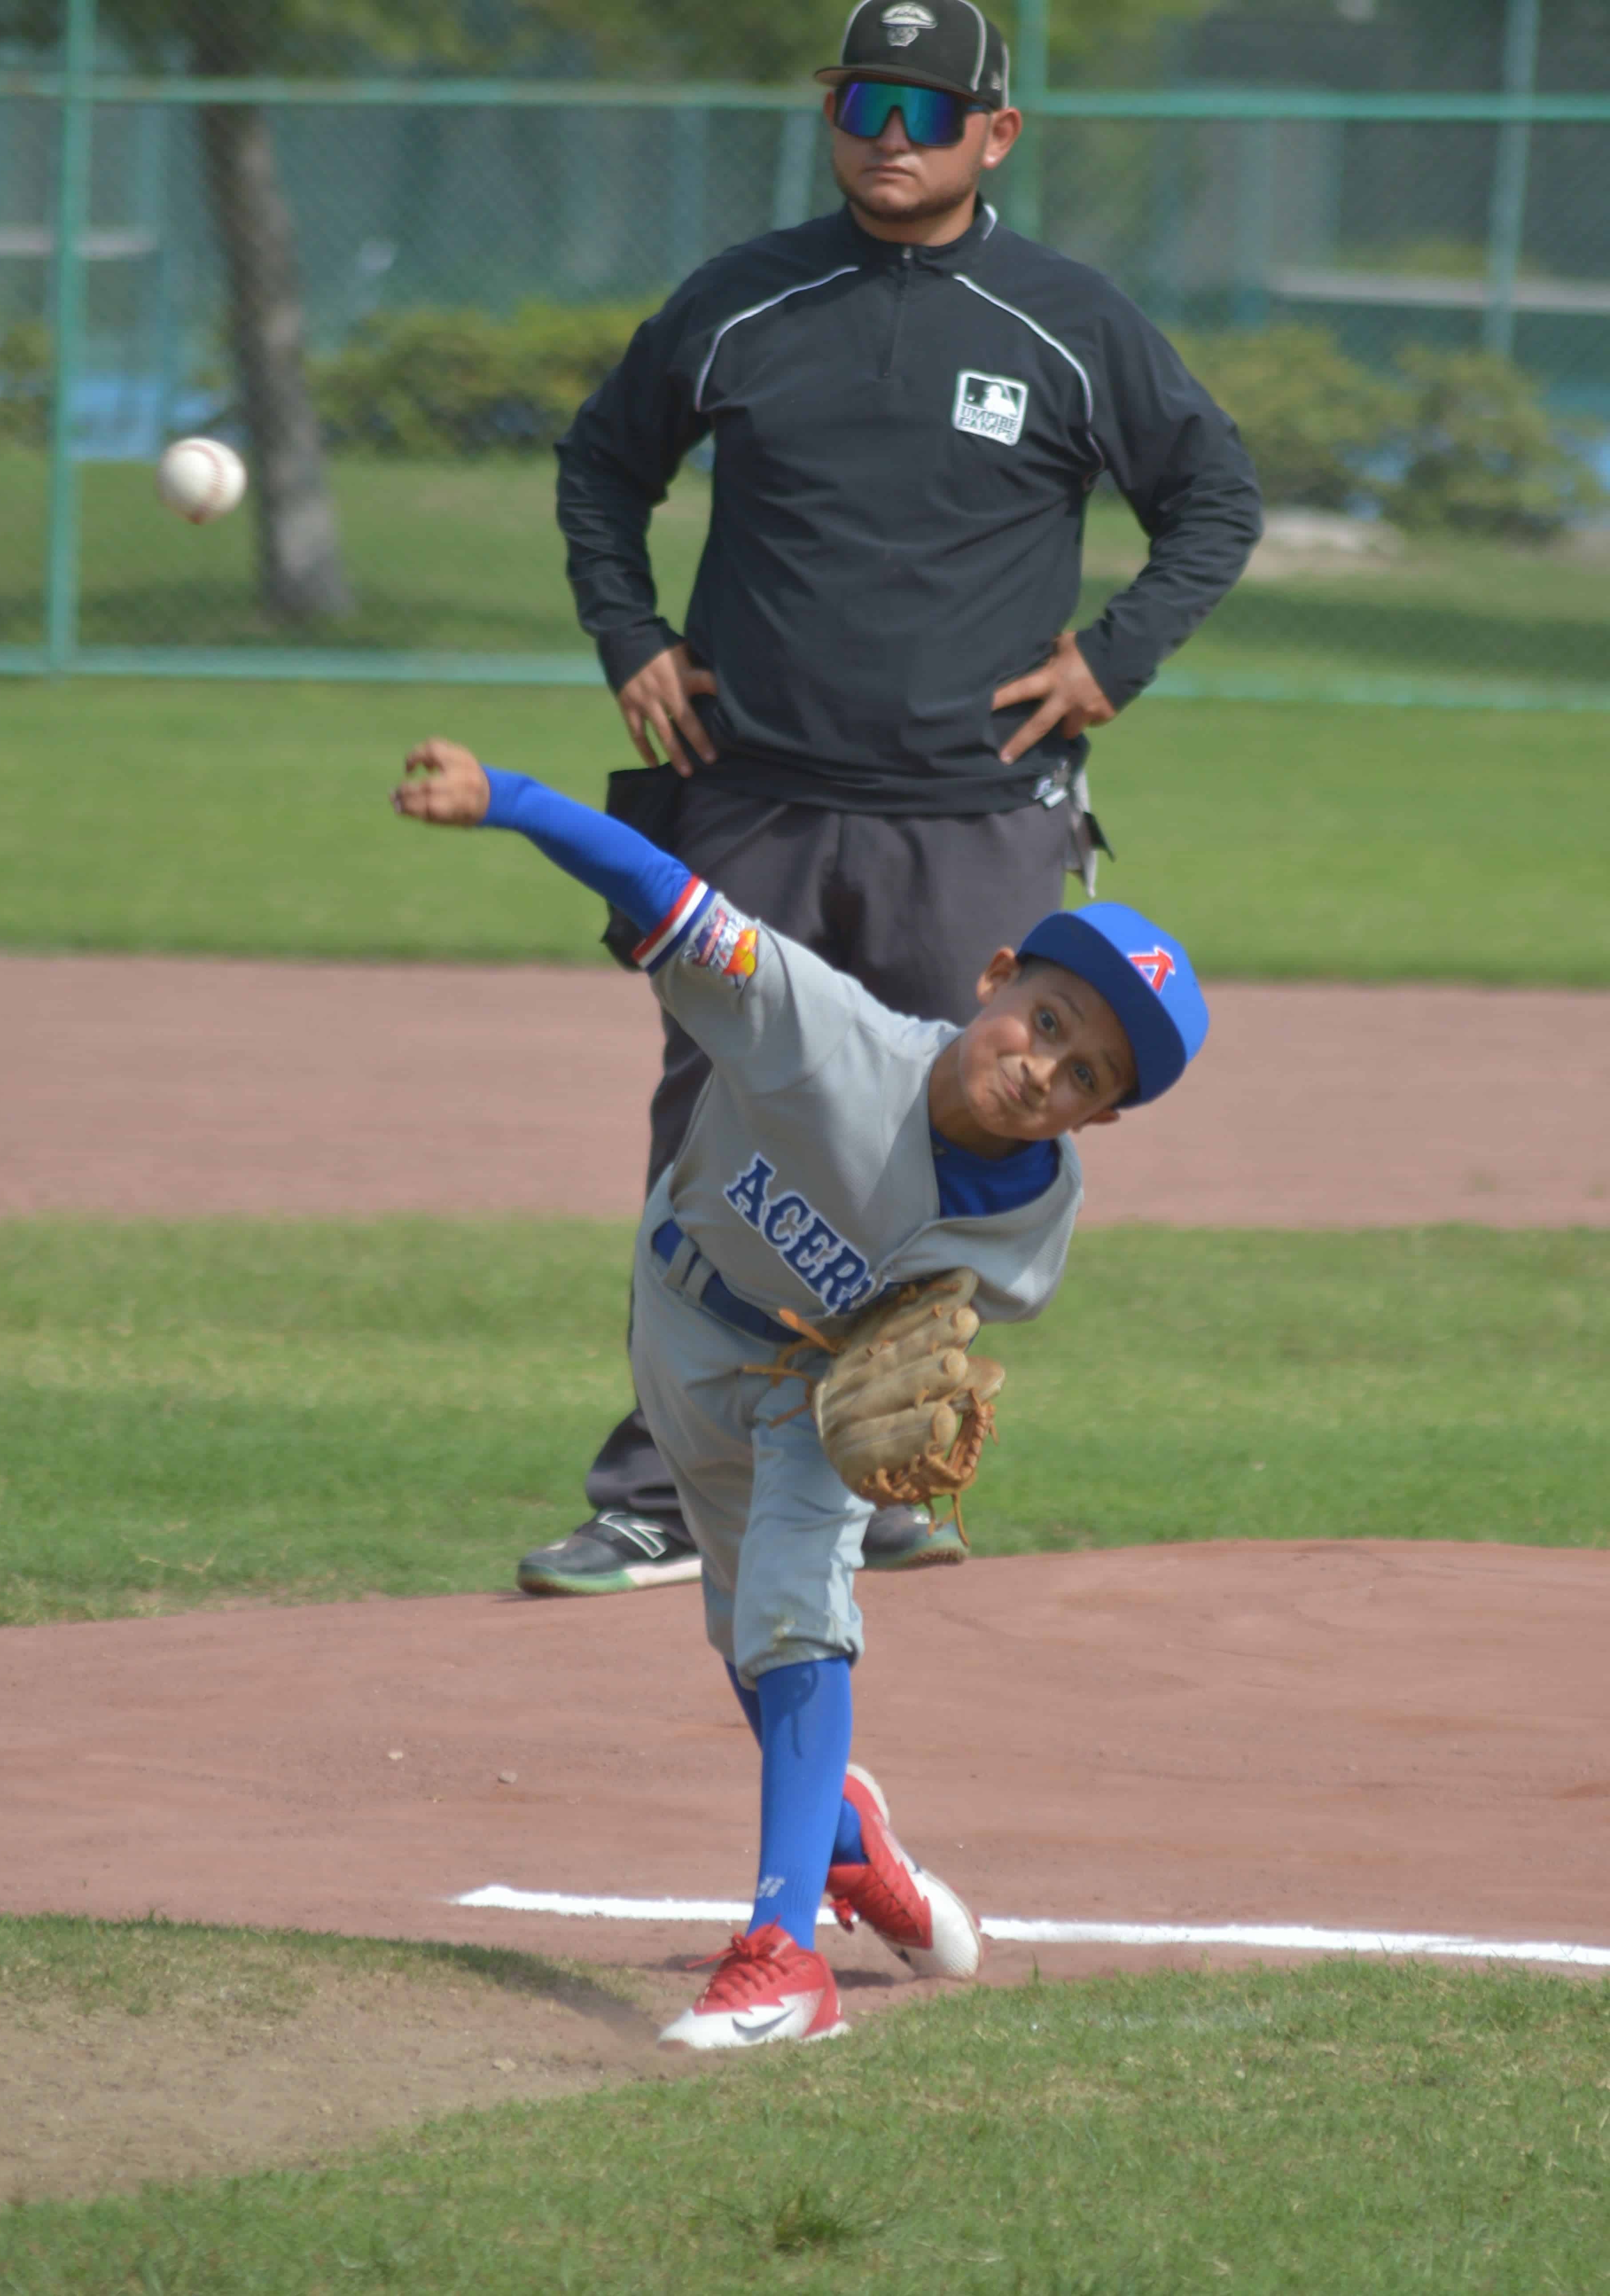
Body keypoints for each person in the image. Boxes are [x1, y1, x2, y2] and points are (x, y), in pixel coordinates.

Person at [522, 0, 1261, 1600]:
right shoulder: (745, 299)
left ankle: (880, 1477)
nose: (893, 137)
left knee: (959, 1140)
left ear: (999, 134)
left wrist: (1114, 657)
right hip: (756, 793)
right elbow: (602, 464)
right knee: (713, 1132)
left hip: (970, 813)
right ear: (830, 113)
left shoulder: (1067, 320)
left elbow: (1214, 497)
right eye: (866, 102)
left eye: (929, 111)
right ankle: (663, 1489)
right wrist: (630, 632)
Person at [393, 734, 1208, 2048]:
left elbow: (948, 1314)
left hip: (812, 1392)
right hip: (680, 1318)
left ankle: (785, 1960)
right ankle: (851, 1845)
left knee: (795, 1616)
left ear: (1100, 1118)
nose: (1043, 1070)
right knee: (750, 1641)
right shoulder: (819, 1029)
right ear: (996, 976)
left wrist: (885, 1381)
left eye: (1085, 1078)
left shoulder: (1037, 1212)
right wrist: (509, 802)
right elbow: (665, 891)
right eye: (1048, 1022)